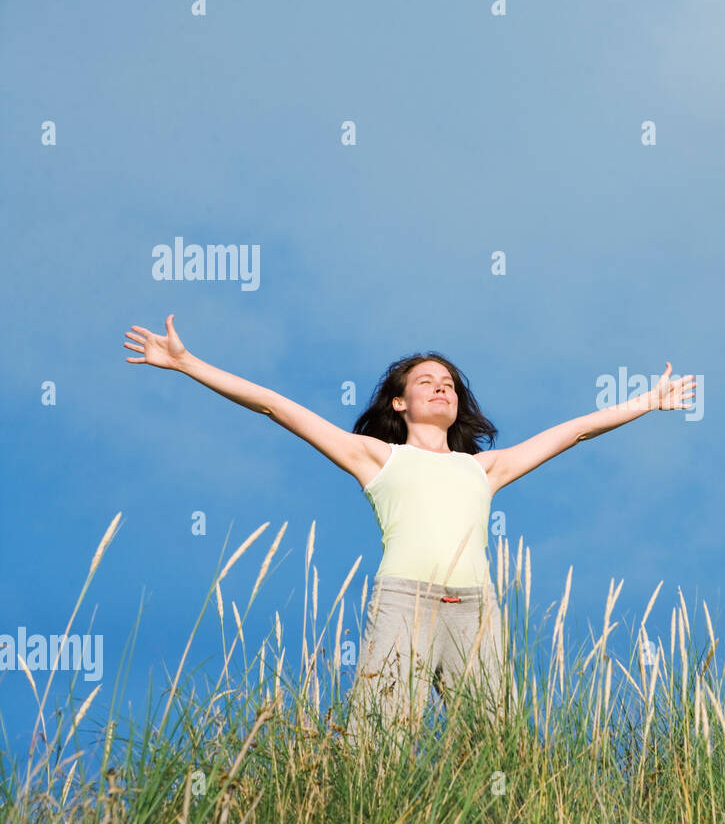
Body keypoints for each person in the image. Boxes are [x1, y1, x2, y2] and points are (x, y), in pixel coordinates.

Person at [123, 314, 696, 745]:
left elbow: (573, 431)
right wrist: (187, 363)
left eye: (449, 382)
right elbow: (276, 406)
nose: (442, 387)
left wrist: (648, 401)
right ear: (399, 402)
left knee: (494, 746)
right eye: (426, 381)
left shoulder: (483, 467)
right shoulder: (375, 457)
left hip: (476, 612)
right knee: (379, 741)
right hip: (406, 603)